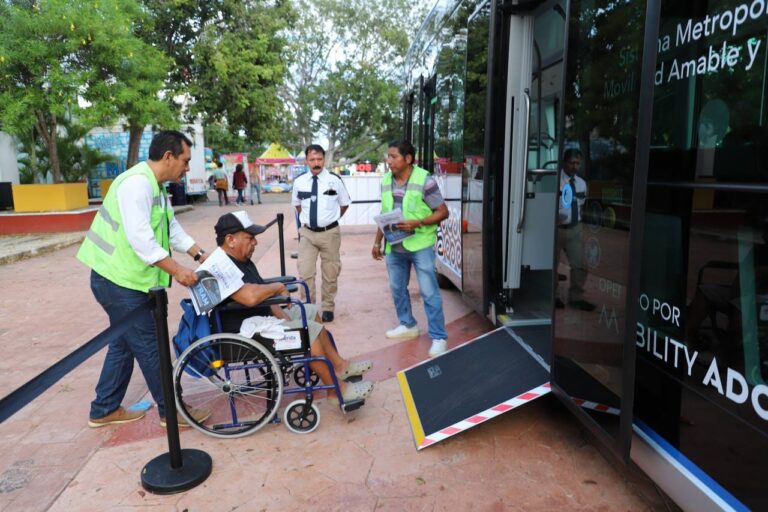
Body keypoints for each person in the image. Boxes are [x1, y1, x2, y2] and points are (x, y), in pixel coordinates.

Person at [77, 130, 212, 428]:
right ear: (168, 157)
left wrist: (201, 254)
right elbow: (142, 240)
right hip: (116, 280)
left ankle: (104, 408)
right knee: (151, 346)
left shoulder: (155, 187)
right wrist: (177, 270)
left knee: (124, 344)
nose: (187, 168)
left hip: (126, 279)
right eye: (185, 161)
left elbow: (171, 228)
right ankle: (171, 412)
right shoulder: (137, 185)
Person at [214, 211, 374, 403]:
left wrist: (283, 315)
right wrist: (278, 288)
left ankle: (339, 367)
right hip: (244, 333)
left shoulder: (240, 260)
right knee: (309, 331)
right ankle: (336, 391)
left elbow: (261, 292)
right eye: (250, 238)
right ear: (230, 240)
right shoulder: (222, 267)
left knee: (310, 312)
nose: (255, 243)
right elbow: (250, 297)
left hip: (260, 318)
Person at [372, 140, 450, 358]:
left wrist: (418, 223)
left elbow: (443, 212)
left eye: (394, 156)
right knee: (397, 288)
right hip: (394, 245)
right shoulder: (386, 180)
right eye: (388, 156)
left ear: (408, 159)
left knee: (429, 292)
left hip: (420, 245)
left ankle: (439, 337)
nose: (389, 161)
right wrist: (377, 241)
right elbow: (384, 211)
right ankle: (408, 325)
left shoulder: (425, 180)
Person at [291, 144, 351, 322]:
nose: (316, 163)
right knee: (306, 271)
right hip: (307, 234)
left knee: (330, 271)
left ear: (324, 159)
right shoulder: (299, 181)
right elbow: (297, 205)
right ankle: (309, 307)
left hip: (330, 233)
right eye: (312, 159)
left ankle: (327, 307)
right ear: (306, 161)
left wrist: (330, 220)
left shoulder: (335, 180)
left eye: (319, 159)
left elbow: (344, 203)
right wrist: (309, 221)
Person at [557, 148, 595, 311]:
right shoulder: (555, 180)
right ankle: (552, 296)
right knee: (551, 265)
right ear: (565, 162)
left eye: (578, 163)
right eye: (572, 162)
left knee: (580, 265)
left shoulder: (581, 183)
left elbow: (581, 204)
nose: (575, 166)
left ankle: (576, 297)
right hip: (556, 228)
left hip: (575, 228)